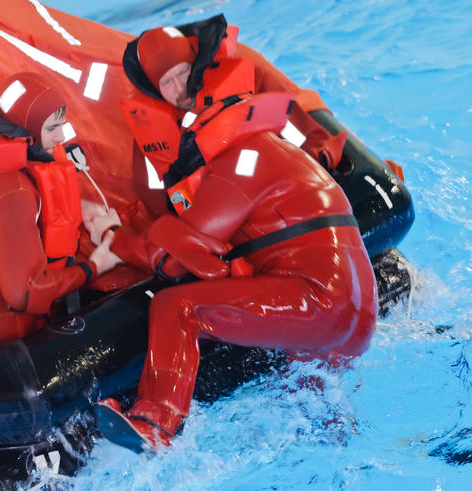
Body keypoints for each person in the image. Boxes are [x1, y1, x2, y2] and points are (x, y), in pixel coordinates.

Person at [91, 19, 378, 452]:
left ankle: (156, 424)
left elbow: (179, 253)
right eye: (165, 83)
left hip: (320, 302)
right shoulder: (265, 141)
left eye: (182, 76)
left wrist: (115, 241)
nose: (177, 90)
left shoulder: (237, 161)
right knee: (311, 408)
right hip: (358, 307)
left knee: (176, 307)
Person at [0, 72, 119, 351]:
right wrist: (95, 266)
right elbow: (25, 292)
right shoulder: (15, 194)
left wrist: (75, 207)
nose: (60, 137)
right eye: (50, 128)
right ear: (25, 127)